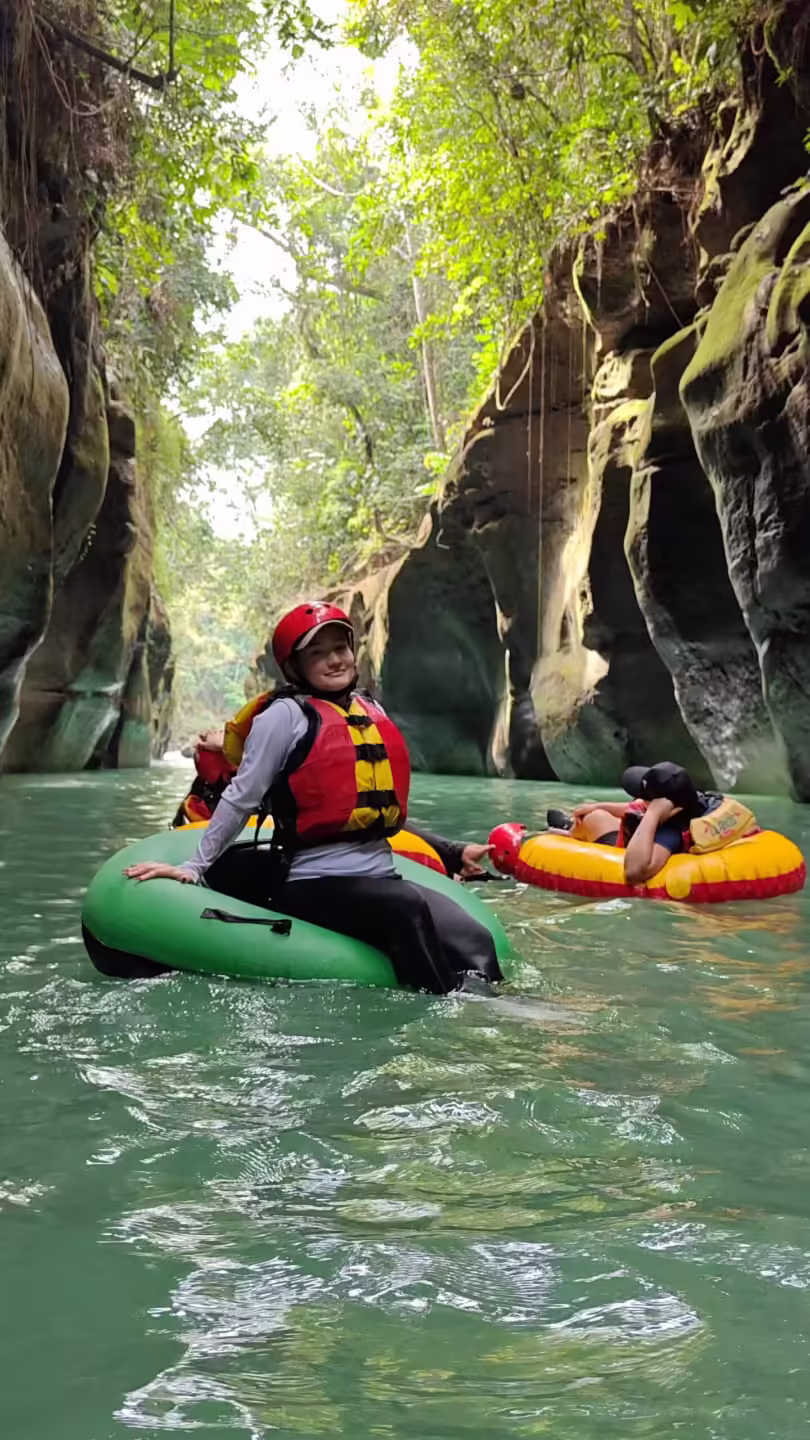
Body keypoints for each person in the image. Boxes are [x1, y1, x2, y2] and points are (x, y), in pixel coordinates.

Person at [126, 602, 502, 995]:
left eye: (340, 648)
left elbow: (370, 805)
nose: (334, 660)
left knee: (474, 939)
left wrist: (451, 851)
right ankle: (451, 1012)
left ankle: (493, 1003)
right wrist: (194, 866)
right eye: (317, 653)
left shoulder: (370, 709)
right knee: (404, 907)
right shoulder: (284, 717)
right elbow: (241, 796)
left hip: (379, 876)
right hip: (312, 880)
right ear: (296, 667)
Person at [173, 718, 493, 880]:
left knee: (369, 810)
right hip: (281, 850)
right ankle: (453, 857)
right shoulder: (203, 801)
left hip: (313, 837)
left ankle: (455, 854)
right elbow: (243, 796)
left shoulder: (271, 754)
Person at [547, 762, 756, 886]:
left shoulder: (671, 831)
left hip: (621, 844)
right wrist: (599, 804)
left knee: (594, 819)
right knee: (598, 811)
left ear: (663, 805)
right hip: (664, 815)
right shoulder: (703, 802)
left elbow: (634, 872)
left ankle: (568, 829)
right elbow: (639, 808)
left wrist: (653, 814)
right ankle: (575, 822)